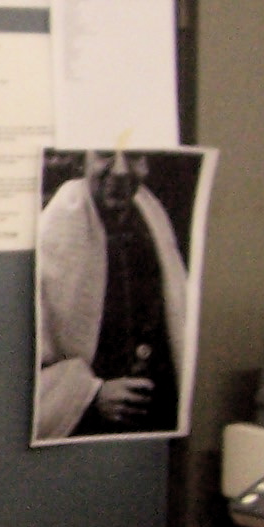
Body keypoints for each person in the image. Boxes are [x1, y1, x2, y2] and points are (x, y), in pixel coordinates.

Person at [35, 149, 186, 440]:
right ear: (82, 162)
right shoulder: (55, 230)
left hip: (151, 416)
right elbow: (28, 357)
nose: (120, 170)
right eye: (105, 155)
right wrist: (92, 394)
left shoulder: (151, 218)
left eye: (134, 156)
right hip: (84, 427)